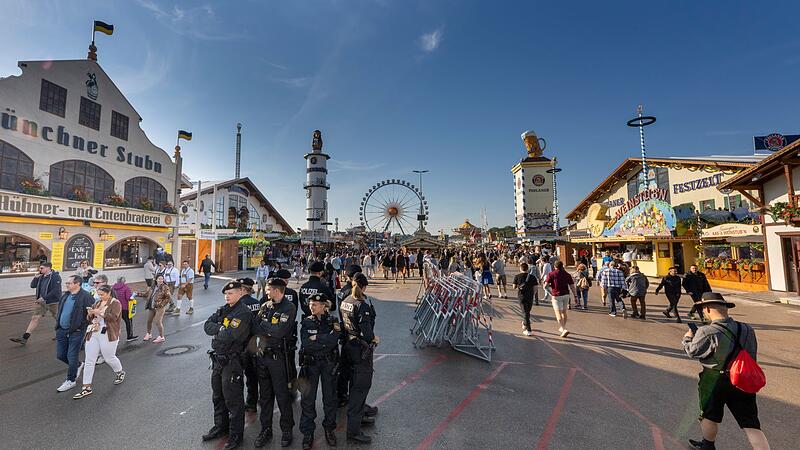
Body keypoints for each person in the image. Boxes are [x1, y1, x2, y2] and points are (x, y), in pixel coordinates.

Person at [682, 293, 770, 450]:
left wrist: (688, 338)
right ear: (725, 308)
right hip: (742, 378)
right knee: (750, 423)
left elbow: (693, 352)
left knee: (709, 415)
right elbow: (751, 353)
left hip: (714, 379)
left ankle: (708, 446)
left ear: (707, 309)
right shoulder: (747, 329)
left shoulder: (706, 331)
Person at [202, 281, 253, 450]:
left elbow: (230, 335)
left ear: (240, 293)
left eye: (231, 293)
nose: (227, 296)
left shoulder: (243, 312)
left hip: (233, 361)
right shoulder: (224, 309)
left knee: (233, 400)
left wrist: (220, 329)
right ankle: (221, 427)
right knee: (218, 396)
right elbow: (207, 326)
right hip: (218, 359)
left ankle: (236, 435)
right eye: (226, 293)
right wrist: (221, 328)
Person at [251, 277, 297, 448]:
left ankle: (287, 430)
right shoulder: (265, 305)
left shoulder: (289, 307)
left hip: (278, 358)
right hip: (263, 357)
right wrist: (266, 327)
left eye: (268, 289)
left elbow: (280, 331)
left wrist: (265, 325)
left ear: (277, 290)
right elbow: (255, 327)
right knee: (265, 397)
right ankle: (266, 430)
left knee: (282, 396)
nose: (266, 292)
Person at [298, 293, 340, 449]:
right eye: (310, 304)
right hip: (311, 364)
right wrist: (324, 340)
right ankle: (308, 433)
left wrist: (318, 338)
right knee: (308, 399)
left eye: (315, 305)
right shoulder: (306, 322)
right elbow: (306, 343)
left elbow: (334, 339)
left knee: (329, 398)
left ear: (323, 306)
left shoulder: (333, 321)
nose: (311, 307)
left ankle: (329, 429)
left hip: (328, 363)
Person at [340, 273, 378, 444]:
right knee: (360, 387)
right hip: (360, 348)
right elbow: (367, 332)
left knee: (353, 384)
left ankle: (360, 415)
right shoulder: (361, 305)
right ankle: (354, 431)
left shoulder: (346, 300)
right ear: (364, 287)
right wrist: (374, 338)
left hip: (348, 345)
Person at [73, 285, 126, 399]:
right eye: (99, 294)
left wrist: (99, 313)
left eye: (102, 294)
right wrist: (90, 313)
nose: (100, 297)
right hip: (94, 332)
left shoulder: (115, 303)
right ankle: (86, 387)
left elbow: (113, 317)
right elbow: (89, 319)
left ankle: (120, 371)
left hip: (108, 333)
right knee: (89, 360)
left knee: (109, 357)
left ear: (109, 292)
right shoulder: (97, 303)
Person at [55, 275, 95, 392]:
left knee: (71, 355)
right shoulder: (66, 296)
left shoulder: (85, 296)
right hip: (62, 330)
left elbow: (91, 314)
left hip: (76, 332)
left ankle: (71, 380)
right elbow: (61, 310)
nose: (66, 285)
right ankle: (78, 365)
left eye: (69, 283)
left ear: (77, 284)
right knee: (61, 355)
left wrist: (81, 327)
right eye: (67, 283)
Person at [11, 262, 62, 345]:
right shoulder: (41, 276)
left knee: (58, 318)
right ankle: (25, 338)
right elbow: (32, 285)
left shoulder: (55, 277)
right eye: (40, 268)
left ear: (48, 268)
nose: (40, 270)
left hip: (53, 301)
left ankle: (62, 334)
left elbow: (56, 290)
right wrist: (35, 278)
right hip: (41, 301)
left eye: (42, 268)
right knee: (35, 318)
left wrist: (44, 297)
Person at [236, 278, 262, 412]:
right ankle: (255, 400)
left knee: (238, 376)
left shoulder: (238, 304)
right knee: (254, 374)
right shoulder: (257, 303)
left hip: (241, 345)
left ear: (243, 289)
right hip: (254, 343)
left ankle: (246, 403)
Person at [544, 261, 577, 338]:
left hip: (556, 295)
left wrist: (550, 293)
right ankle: (562, 327)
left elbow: (545, 286)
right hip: (566, 294)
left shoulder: (551, 274)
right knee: (564, 312)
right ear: (562, 266)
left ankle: (564, 329)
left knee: (558, 313)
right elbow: (572, 286)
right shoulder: (567, 274)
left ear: (555, 267)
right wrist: (575, 296)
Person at [141, 274, 171, 343]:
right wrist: (137, 294)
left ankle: (161, 336)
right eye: (159, 279)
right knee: (149, 321)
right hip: (151, 307)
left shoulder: (165, 287)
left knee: (158, 322)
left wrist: (162, 304)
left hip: (159, 308)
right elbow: (147, 294)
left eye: (162, 279)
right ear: (156, 279)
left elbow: (168, 297)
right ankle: (149, 334)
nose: (160, 280)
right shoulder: (153, 286)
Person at [512, 263, 536, 336]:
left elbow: (514, 287)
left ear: (520, 268)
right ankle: (525, 323)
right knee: (527, 311)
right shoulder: (532, 277)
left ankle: (528, 329)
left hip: (521, 296)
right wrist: (533, 294)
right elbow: (535, 288)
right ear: (527, 269)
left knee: (525, 313)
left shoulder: (517, 276)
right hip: (530, 296)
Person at [112, 276, 138, 341]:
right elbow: (129, 298)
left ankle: (114, 336)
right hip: (125, 307)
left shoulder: (113, 287)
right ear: (124, 281)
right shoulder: (126, 288)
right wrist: (134, 294)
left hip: (116, 307)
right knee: (128, 322)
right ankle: (129, 336)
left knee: (116, 322)